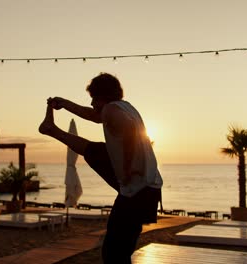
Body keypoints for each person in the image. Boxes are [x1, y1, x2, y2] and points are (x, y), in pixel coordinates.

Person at [39, 72, 163, 263]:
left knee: (114, 252)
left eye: (93, 98)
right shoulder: (122, 107)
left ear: (102, 96)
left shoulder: (112, 110)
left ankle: (52, 130)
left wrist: (128, 168)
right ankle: (52, 129)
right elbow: (93, 116)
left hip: (138, 189)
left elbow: (129, 129)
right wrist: (65, 103)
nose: (91, 104)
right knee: (95, 150)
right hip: (147, 185)